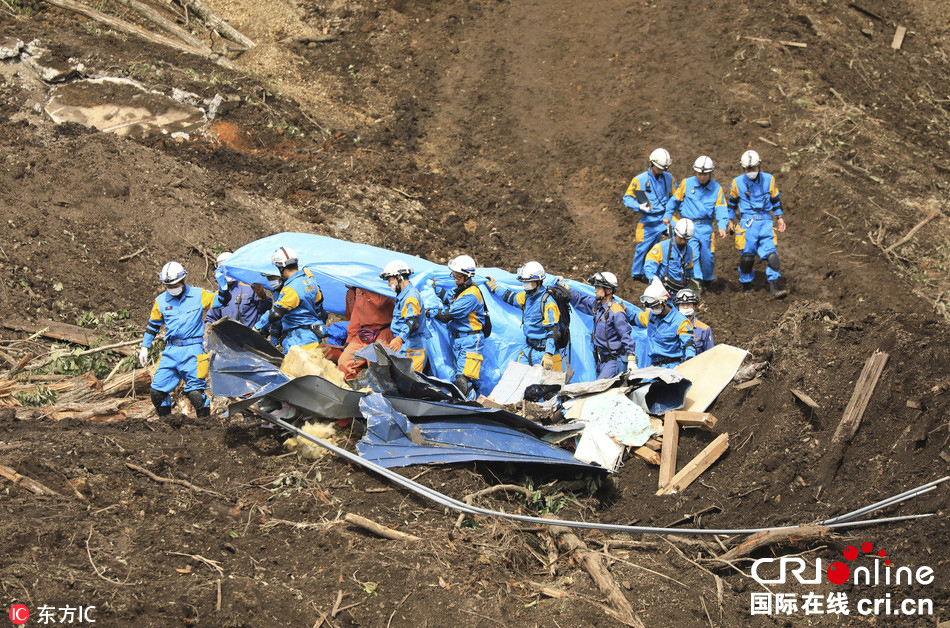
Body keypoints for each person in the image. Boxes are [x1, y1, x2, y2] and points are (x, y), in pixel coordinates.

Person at [139, 261, 231, 417]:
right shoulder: (160, 301)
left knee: (196, 394)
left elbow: (221, 301)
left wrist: (223, 285)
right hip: (171, 350)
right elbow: (153, 326)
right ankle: (167, 425)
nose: (172, 288)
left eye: (175, 284)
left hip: (193, 350)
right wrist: (145, 347)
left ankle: (206, 426)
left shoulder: (198, 294)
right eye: (168, 286)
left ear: (183, 279)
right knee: (157, 392)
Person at [728, 150, 788, 298]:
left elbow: (775, 199)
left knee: (772, 256)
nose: (751, 172)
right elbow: (732, 204)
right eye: (748, 169)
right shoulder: (737, 183)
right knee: (747, 258)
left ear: (759, 166)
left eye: (753, 168)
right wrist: (729, 221)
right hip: (747, 223)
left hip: (766, 221)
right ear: (743, 169)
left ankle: (774, 287)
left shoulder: (769, 179)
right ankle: (746, 287)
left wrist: (779, 217)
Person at [663, 156, 729, 294]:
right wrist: (668, 215)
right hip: (689, 224)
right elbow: (675, 200)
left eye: (704, 174)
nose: (701, 177)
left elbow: (721, 208)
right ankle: (696, 281)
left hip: (705, 227)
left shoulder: (717, 189)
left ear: (710, 173)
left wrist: (722, 225)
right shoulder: (687, 183)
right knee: (693, 254)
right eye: (698, 173)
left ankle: (707, 280)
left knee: (708, 258)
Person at [427, 254, 487, 397]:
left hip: (470, 341)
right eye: (453, 275)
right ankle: (469, 405)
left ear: (468, 276)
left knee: (463, 381)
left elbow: (448, 314)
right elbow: (448, 298)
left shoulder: (471, 295)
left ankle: (473, 410)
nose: (455, 279)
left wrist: (428, 312)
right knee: (460, 378)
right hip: (459, 340)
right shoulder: (461, 290)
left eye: (458, 276)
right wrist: (432, 288)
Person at [486, 261, 563, 371]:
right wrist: (494, 288)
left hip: (544, 352)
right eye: (524, 282)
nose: (525, 285)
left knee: (546, 387)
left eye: (529, 282)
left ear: (538, 281)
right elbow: (510, 297)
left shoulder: (548, 304)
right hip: (529, 349)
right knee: (517, 379)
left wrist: (549, 354)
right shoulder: (526, 297)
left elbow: (553, 330)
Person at [558, 271, 635, 379]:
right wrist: (565, 287)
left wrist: (631, 358)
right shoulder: (598, 306)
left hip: (613, 362)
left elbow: (625, 335)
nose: (595, 290)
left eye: (598, 288)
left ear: (609, 290)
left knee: (600, 389)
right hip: (600, 361)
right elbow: (580, 300)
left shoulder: (616, 311)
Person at [253, 247, 328, 353]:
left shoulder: (291, 288)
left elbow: (275, 314)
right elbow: (321, 311)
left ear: (281, 267)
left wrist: (256, 328)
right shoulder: (311, 282)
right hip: (314, 338)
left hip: (298, 342)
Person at [623, 148, 677, 282]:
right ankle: (637, 274)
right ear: (651, 164)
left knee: (680, 235)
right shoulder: (639, 179)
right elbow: (627, 198)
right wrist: (638, 206)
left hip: (665, 217)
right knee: (643, 247)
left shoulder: (668, 178)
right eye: (659, 168)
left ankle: (674, 269)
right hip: (649, 220)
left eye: (663, 169)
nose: (661, 171)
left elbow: (676, 196)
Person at [631, 278, 696, 368]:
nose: (654, 309)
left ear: (664, 301)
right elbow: (634, 318)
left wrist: (690, 359)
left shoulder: (680, 321)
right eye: (652, 307)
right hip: (654, 366)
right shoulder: (650, 315)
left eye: (656, 306)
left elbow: (688, 343)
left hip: (673, 366)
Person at [380, 260, 430, 373]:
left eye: (390, 280)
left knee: (412, 383)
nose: (389, 284)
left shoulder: (410, 297)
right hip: (406, 345)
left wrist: (399, 338)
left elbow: (413, 322)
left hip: (413, 347)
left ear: (399, 277)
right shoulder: (402, 296)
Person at [205, 251, 272, 329]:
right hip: (229, 338)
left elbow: (266, 310)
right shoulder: (219, 294)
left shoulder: (250, 287)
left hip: (251, 337)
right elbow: (210, 318)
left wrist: (262, 296)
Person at [643, 218, 696, 294]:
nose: (683, 241)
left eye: (686, 239)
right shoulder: (660, 247)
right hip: (662, 291)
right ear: (675, 233)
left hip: (679, 292)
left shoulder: (689, 251)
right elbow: (649, 265)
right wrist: (654, 279)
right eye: (681, 238)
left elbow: (690, 270)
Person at [673, 288, 714, 355]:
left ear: (694, 306)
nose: (685, 307)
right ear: (677, 307)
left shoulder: (704, 329)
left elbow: (710, 354)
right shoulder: (670, 327)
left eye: (688, 304)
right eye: (682, 305)